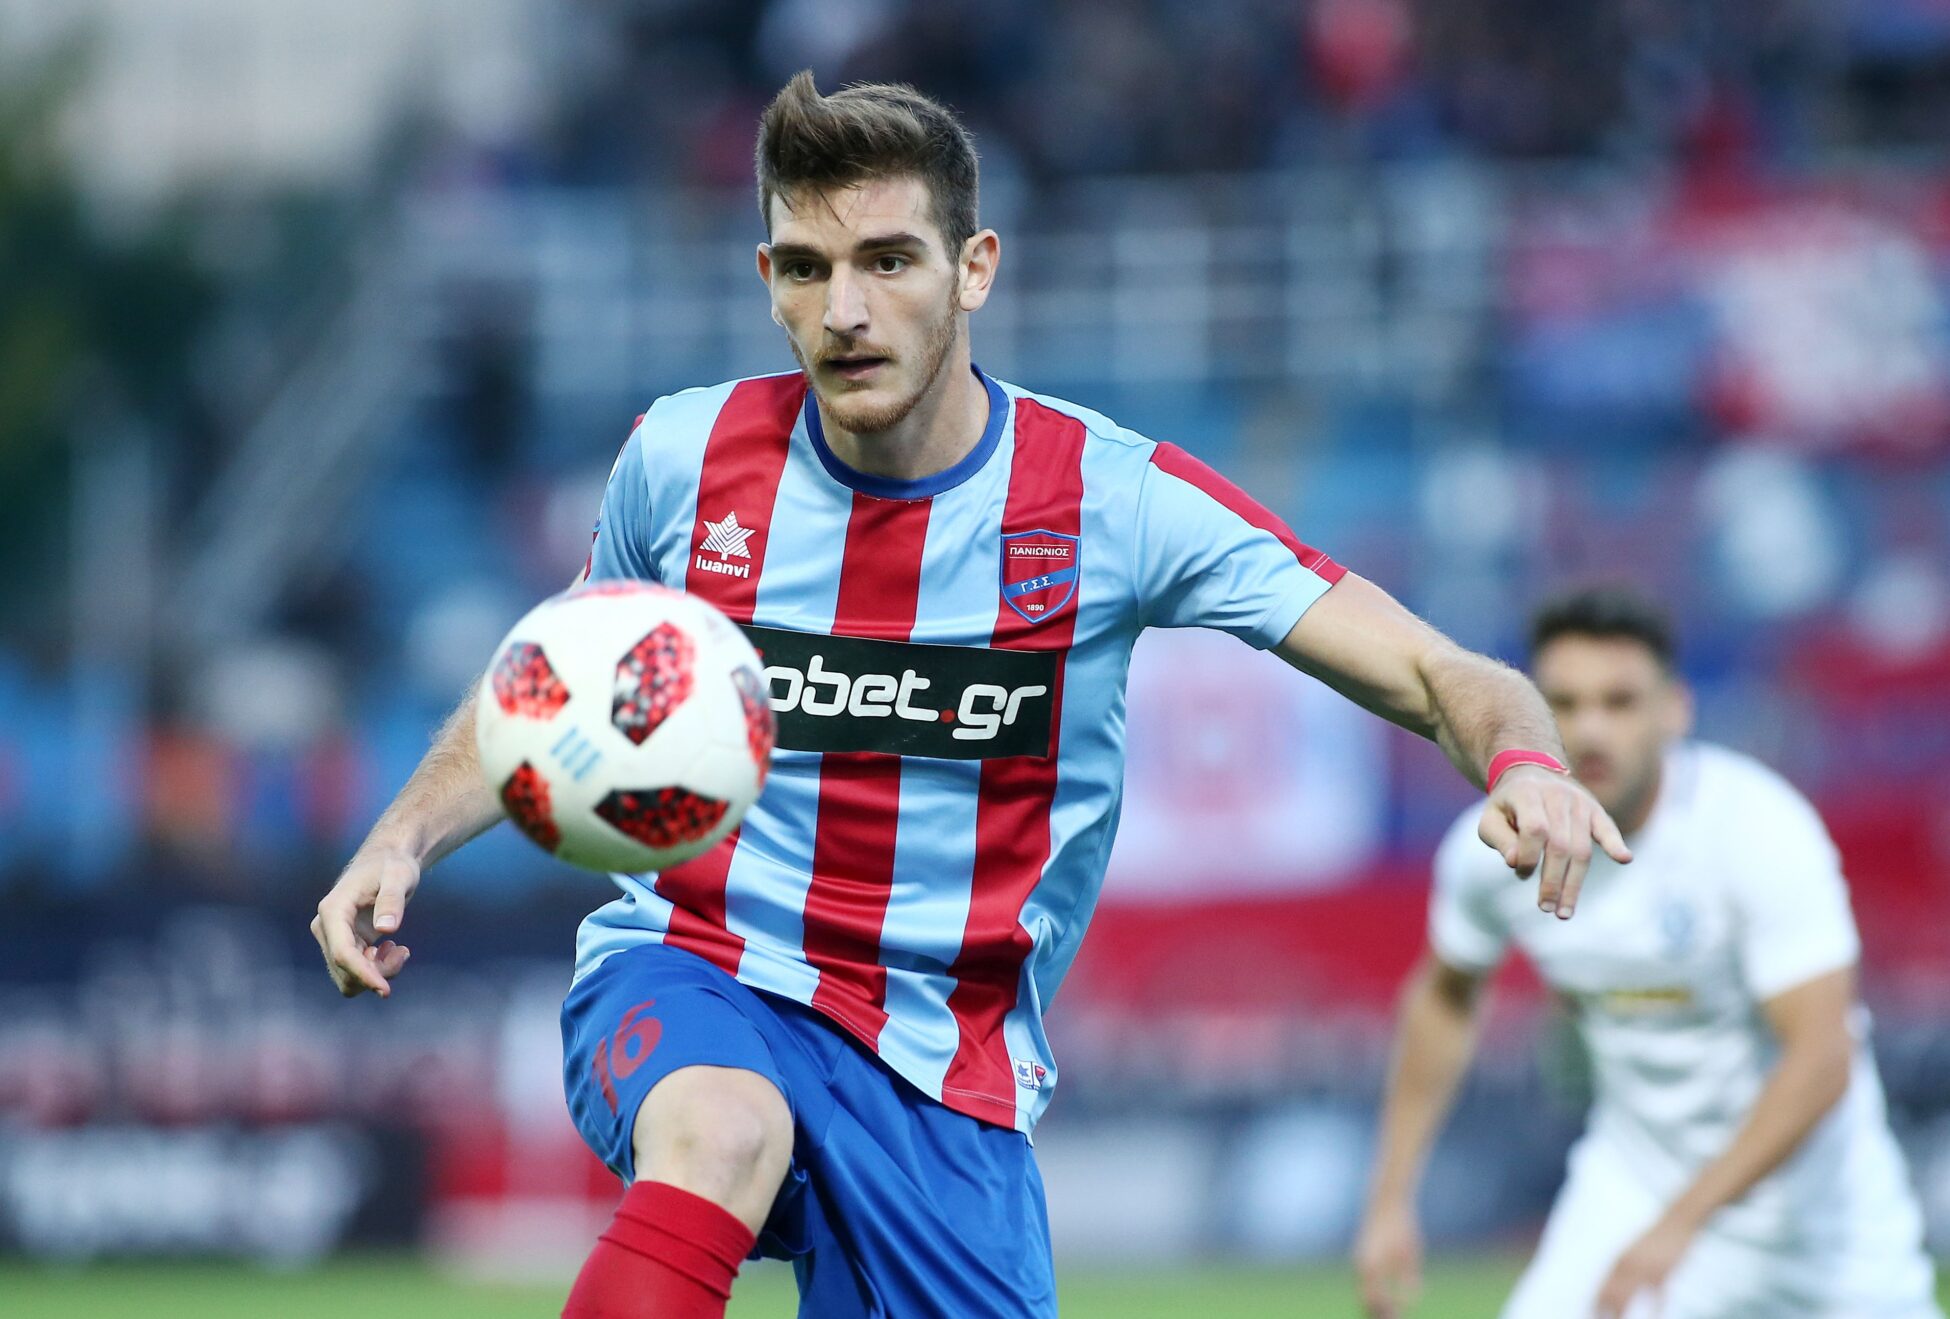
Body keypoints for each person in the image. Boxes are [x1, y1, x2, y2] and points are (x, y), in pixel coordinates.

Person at [311, 74, 1625, 1319]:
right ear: (767, 283)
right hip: (701, 967)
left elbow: (1441, 670)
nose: (844, 309)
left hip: (943, 1069)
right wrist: (400, 836)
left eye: (888, 260)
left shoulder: (1110, 500)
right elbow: (548, 688)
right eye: (807, 268)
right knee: (723, 1129)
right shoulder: (683, 457)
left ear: (974, 268)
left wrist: (1524, 764)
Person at [1354, 587, 1941, 1319]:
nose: (1591, 728)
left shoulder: (1757, 830)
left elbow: (1822, 1057)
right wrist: (1390, 1200)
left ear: (1675, 710)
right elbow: (1445, 998)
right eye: (1564, 703)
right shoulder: (1495, 847)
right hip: (1632, 1187)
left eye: (1620, 701)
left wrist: (1679, 1226)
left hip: (1815, 1221)